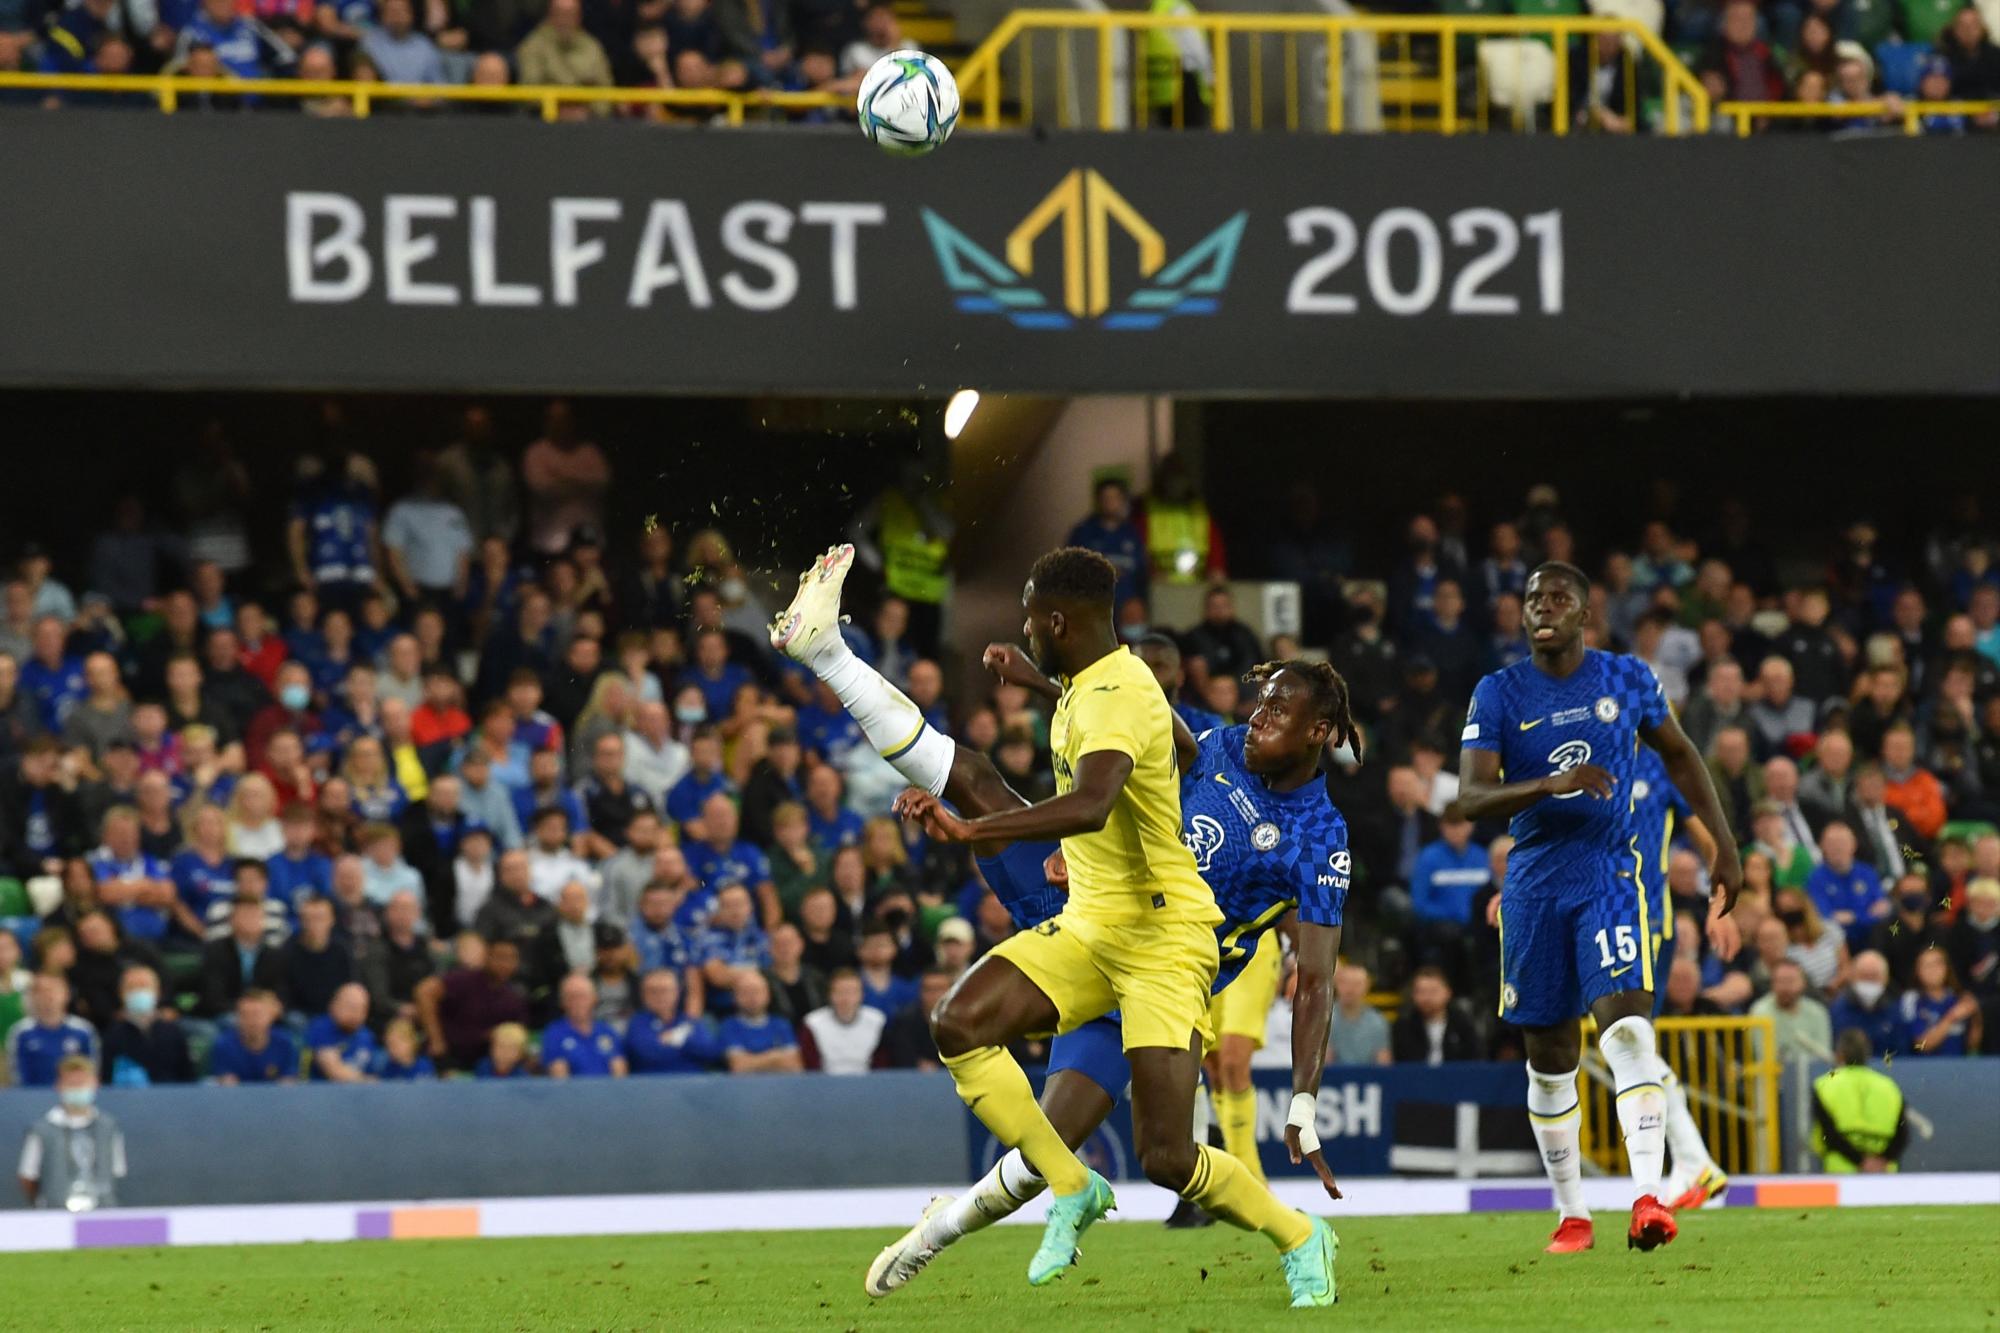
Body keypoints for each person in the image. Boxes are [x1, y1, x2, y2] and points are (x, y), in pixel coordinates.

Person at [769, 545, 1344, 1305]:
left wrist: (1303, 1098)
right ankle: (831, 655)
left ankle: (1297, 1234)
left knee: (1157, 1156)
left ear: (1320, 733)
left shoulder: (1319, 836)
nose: (1259, 717)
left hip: (1170, 955)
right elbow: (1135, 720)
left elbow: (1317, 977)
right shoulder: (1220, 744)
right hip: (1089, 911)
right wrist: (1041, 680)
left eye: (1278, 711)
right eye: (1261, 702)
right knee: (972, 792)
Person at [1455, 561, 1744, 1255]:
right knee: (1549, 1057)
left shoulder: (1628, 678)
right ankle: (1572, 1212)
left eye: (1559, 597)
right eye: (1532, 598)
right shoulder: (1497, 691)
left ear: (1586, 613)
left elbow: (1680, 755)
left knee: (1628, 1032)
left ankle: (1650, 1196)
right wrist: (1550, 783)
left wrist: (1725, 846)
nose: (1543, 607)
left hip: (1612, 875)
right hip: (1532, 883)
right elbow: (1468, 797)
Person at [17, 1055, 125, 1210]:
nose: (77, 1089)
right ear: (59, 1085)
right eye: (71, 1084)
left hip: (102, 1214)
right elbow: (28, 1176)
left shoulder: (109, 1127)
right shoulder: (41, 1130)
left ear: (95, 1084)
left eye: (82, 1083)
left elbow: (116, 1171)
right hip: (56, 1215)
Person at [1811, 1029, 1907, 1173]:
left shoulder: (1824, 1085)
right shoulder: (1889, 1087)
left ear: (1839, 1054)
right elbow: (1902, 1134)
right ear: (1867, 1054)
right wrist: (1882, 1159)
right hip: (1884, 1173)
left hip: (1840, 1170)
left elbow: (1829, 1134)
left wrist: (1861, 1161)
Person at [99, 963, 194, 1086]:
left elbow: (188, 1077)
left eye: (144, 986)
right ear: (121, 994)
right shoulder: (112, 1035)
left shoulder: (173, 1032)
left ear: (157, 992)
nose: (139, 992)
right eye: (132, 987)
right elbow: (107, 1081)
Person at [6, 974, 98, 1087]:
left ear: (67, 994)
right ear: (33, 996)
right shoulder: (21, 1032)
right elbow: (17, 1074)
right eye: (42, 991)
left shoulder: (83, 1030)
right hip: (32, 1098)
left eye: (54, 990)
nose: (49, 996)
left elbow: (91, 1069)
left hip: (72, 1097)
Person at [1388, 966, 1480, 1064]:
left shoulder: (1463, 1024)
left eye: (1433, 991)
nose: (1426, 998)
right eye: (1421, 992)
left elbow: (1475, 1061)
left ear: (1448, 993)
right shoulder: (1403, 1026)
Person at [541, 973, 627, 1077]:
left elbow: (620, 1074)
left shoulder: (608, 1031)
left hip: (607, 1092)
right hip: (572, 1092)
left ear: (594, 999)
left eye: (582, 996)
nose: (577, 1002)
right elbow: (560, 1079)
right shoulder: (554, 1034)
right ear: (562, 1002)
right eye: (571, 997)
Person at [799, 968, 884, 1074]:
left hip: (867, 1083)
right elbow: (810, 1066)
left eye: (852, 992)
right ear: (830, 995)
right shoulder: (813, 1023)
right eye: (840, 992)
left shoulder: (877, 1021)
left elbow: (882, 1065)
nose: (846, 998)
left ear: (861, 995)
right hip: (824, 1084)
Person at [209, 989, 301, 1084]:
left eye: (256, 1014)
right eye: (244, 1014)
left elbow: (289, 1081)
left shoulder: (285, 1043)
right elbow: (226, 1083)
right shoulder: (224, 1046)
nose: (251, 1020)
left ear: (272, 1015)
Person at [1900, 945, 1979, 1057]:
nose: (1933, 970)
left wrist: (1976, 1016)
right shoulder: (1912, 999)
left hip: (1960, 1067)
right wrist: (1951, 1018)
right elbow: (1921, 1045)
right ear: (1917, 971)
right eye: (1927, 965)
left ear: (1947, 968)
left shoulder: (1959, 999)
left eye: (1938, 964)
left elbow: (1973, 1045)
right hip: (1924, 1068)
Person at [1750, 958, 1833, 1063]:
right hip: (1771, 1077)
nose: (1785, 988)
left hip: (1812, 1076)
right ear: (1772, 984)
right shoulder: (1760, 1012)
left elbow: (1824, 1058)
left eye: (1790, 981)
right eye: (1780, 981)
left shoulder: (1818, 1012)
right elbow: (1765, 1059)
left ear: (1803, 984)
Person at [717, 971, 801, 1073]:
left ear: (768, 995)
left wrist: (752, 1060)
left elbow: (794, 1065)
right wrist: (775, 1056)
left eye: (757, 991)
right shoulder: (729, 1026)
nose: (752, 997)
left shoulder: (781, 1024)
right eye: (746, 992)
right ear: (735, 997)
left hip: (779, 1085)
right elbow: (739, 1066)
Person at [1827, 950, 1904, 1057]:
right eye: (1864, 976)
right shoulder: (1837, 1010)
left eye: (1873, 977)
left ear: (1885, 979)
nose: (1868, 982)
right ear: (1852, 977)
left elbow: (1902, 1052)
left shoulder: (1895, 1012)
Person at [305, 982, 379, 1082]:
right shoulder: (320, 1028)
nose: (356, 1014)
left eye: (362, 1009)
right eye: (351, 1007)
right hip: (322, 1094)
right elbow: (334, 1071)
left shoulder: (366, 1036)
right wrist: (363, 1080)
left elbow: (373, 1077)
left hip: (359, 1095)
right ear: (334, 1005)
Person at [1326, 964, 1390, 1066]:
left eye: (1357, 984)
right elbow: (1325, 1062)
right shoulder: (1325, 1019)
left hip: (1369, 1078)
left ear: (1367, 986)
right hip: (1334, 1079)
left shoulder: (1378, 1021)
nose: (1350, 989)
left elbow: (1383, 1062)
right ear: (1336, 984)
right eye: (1345, 983)